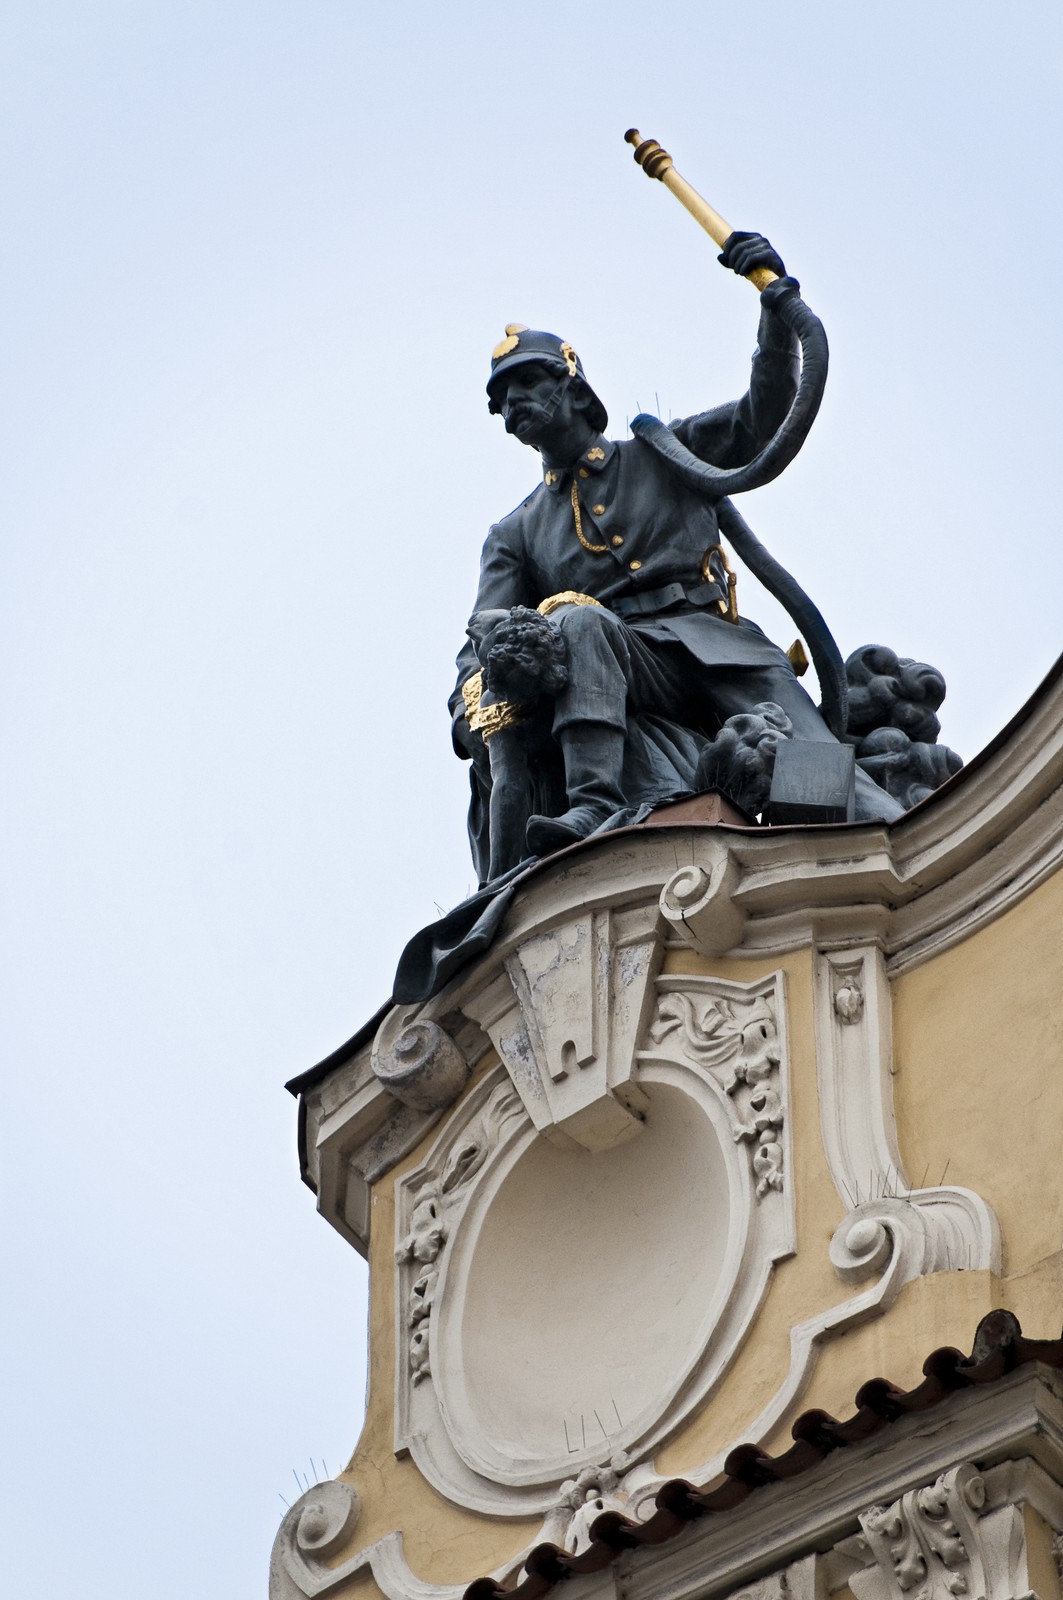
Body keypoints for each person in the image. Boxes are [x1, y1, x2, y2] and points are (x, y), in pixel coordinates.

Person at [451, 233, 902, 883]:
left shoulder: (661, 451)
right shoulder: (515, 531)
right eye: (501, 399)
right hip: (621, 661)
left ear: (572, 386)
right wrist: (472, 701)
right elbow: (484, 628)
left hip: (716, 641)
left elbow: (760, 417)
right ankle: (591, 807)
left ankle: (911, 860)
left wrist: (773, 317)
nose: (511, 405)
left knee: (820, 773)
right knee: (577, 622)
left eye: (525, 384)